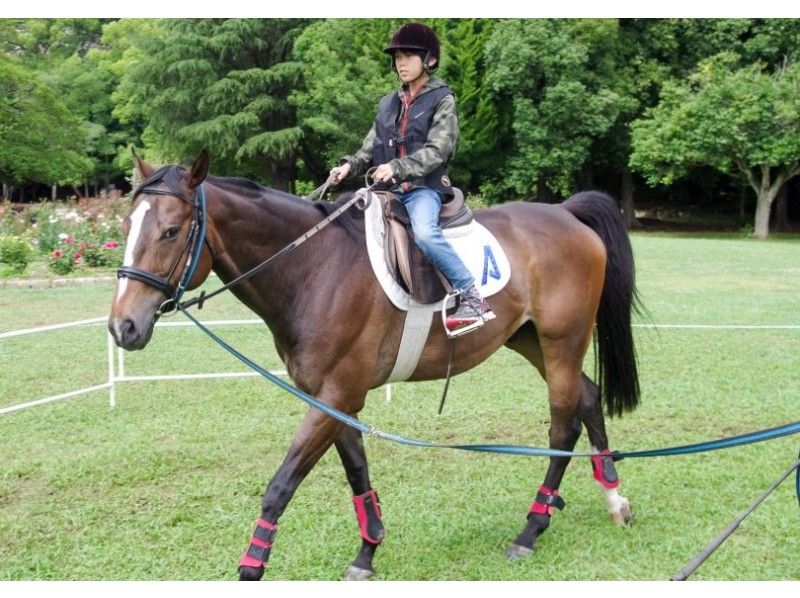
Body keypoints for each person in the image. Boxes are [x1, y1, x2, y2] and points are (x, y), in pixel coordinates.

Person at [329, 22, 495, 334]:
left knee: (427, 235)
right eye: (397, 57)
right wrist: (348, 167)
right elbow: (370, 145)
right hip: (386, 192)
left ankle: (472, 295)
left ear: (429, 60)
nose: (400, 63)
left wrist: (397, 167)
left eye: (408, 56)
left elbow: (438, 150)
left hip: (421, 190)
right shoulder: (388, 103)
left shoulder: (443, 99)